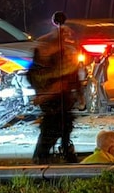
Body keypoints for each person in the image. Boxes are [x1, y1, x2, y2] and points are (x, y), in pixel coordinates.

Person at [29, 11, 81, 164]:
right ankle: (42, 156)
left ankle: (64, 151)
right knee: (51, 129)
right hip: (51, 99)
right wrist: (49, 90)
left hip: (62, 99)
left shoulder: (64, 53)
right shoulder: (44, 53)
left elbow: (73, 74)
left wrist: (78, 92)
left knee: (65, 126)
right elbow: (36, 76)